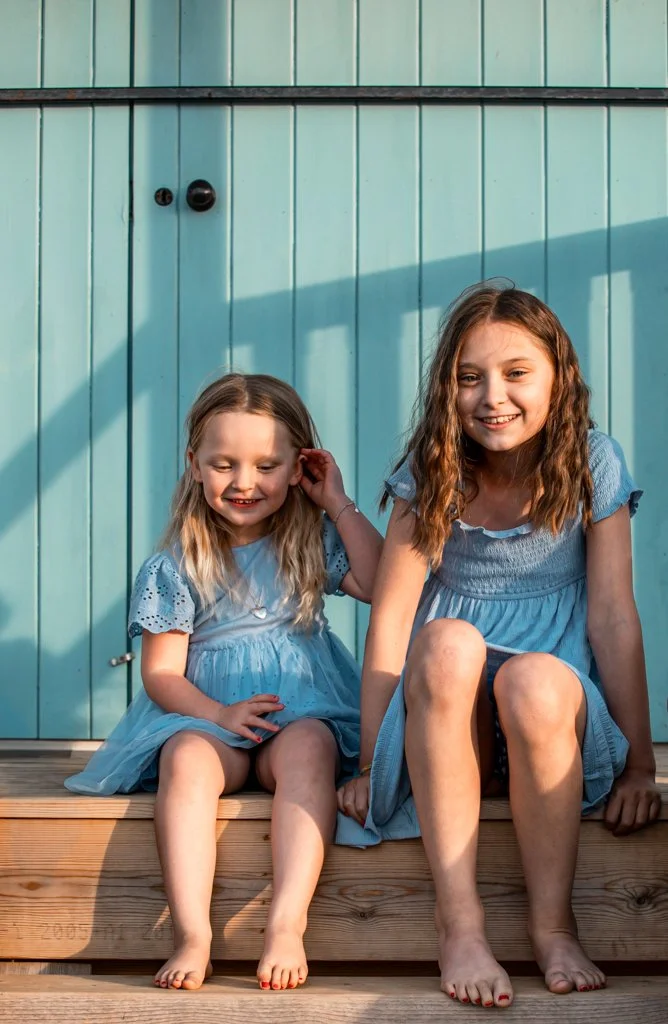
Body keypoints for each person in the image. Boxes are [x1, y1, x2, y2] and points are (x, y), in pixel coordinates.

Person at [337, 283, 661, 1008]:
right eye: (468, 377)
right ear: (446, 388)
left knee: (536, 680)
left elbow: (613, 617)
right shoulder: (432, 471)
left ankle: (552, 925)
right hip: (447, 728)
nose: (493, 397)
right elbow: (392, 622)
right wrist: (368, 760)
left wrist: (641, 765)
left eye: (516, 373)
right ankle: (461, 925)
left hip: (551, 726)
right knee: (448, 639)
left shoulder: (591, 462)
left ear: (559, 376)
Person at [66, 373, 382, 993]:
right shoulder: (175, 563)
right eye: (224, 464)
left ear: (299, 468)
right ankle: (193, 931)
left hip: (300, 709)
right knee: (185, 762)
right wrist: (217, 715)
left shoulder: (310, 540)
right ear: (194, 465)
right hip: (209, 717)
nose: (244, 482)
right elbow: (160, 674)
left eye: (267, 464)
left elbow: (377, 585)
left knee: (312, 749)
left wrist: (337, 503)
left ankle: (287, 923)